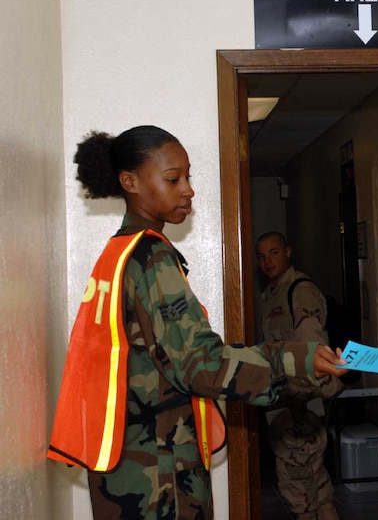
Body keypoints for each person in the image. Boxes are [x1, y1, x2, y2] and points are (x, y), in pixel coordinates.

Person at [48, 125, 348, 520]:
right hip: (159, 474)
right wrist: (295, 360)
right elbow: (201, 366)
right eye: (173, 179)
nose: (188, 189)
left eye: (188, 177)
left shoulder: (118, 252)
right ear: (130, 182)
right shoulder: (151, 258)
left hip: (123, 467)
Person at [255, 231, 342, 520]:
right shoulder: (270, 293)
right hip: (283, 397)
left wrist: (300, 395)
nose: (267, 261)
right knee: (314, 479)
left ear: (288, 252)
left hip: (300, 399)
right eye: (261, 255)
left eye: (274, 252)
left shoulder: (299, 289)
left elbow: (312, 350)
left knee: (298, 486)